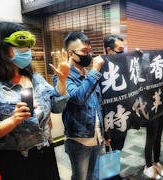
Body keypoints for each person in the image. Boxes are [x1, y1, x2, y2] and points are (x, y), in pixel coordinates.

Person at [0, 22, 69, 180]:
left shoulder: (36, 79)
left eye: (29, 46)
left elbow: (57, 107)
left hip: (45, 153)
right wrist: (14, 120)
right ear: (1, 48)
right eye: (22, 46)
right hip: (14, 161)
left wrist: (62, 81)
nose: (28, 51)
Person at [54, 32, 105, 180]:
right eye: (84, 51)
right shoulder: (63, 75)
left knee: (93, 176)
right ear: (71, 53)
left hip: (96, 135)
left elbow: (98, 104)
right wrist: (95, 71)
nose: (88, 55)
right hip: (78, 139)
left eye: (89, 51)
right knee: (80, 177)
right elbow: (77, 98)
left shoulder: (88, 73)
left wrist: (104, 133)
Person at [102, 34, 126, 180]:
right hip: (107, 119)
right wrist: (105, 131)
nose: (123, 53)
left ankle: (115, 174)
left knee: (118, 148)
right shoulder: (100, 68)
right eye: (120, 50)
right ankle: (108, 176)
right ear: (109, 50)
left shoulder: (124, 65)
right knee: (106, 151)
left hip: (121, 115)